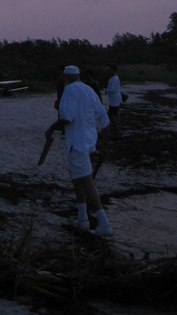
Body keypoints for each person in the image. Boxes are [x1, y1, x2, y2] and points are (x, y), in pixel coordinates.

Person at [44, 65, 112, 237]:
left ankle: (104, 224)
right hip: (88, 141)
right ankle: (82, 219)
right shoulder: (89, 90)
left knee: (87, 181)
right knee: (77, 179)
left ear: (66, 77)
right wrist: (103, 145)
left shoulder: (69, 91)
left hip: (77, 143)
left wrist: (51, 129)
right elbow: (104, 119)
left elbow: (66, 118)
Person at [105, 64, 122, 139]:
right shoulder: (114, 78)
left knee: (111, 115)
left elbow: (112, 90)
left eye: (110, 69)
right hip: (115, 100)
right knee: (115, 114)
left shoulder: (114, 78)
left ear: (114, 70)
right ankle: (116, 130)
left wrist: (105, 91)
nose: (108, 71)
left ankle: (117, 131)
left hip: (114, 100)